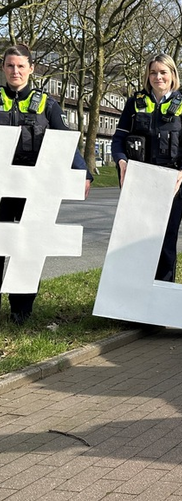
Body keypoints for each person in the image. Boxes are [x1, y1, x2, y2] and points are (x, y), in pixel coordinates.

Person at [0, 44, 92, 324]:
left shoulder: (46, 103)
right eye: (10, 66)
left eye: (20, 66)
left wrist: (83, 172)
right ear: (3, 68)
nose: (15, 71)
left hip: (35, 188)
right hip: (1, 187)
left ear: (31, 68)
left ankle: (21, 312)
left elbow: (65, 140)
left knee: (28, 247)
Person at [111, 53, 182, 283]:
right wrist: (121, 161)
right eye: (153, 72)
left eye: (163, 72)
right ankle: (133, 304)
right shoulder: (134, 104)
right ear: (147, 76)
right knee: (133, 244)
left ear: (173, 76)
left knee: (165, 246)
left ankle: (160, 304)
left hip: (171, 186)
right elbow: (118, 141)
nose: (158, 77)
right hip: (138, 185)